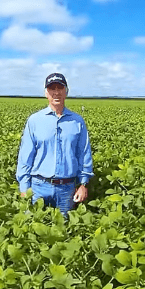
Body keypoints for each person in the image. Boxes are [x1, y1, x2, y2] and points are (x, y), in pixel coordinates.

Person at [16, 72, 93, 216]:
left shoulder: (77, 121)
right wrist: (24, 188)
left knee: (64, 232)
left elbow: (84, 154)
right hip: (38, 186)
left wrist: (83, 184)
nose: (56, 92)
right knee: (33, 230)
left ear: (66, 92)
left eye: (60, 88)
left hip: (67, 188)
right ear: (46, 93)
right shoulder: (35, 121)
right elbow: (25, 157)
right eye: (52, 89)